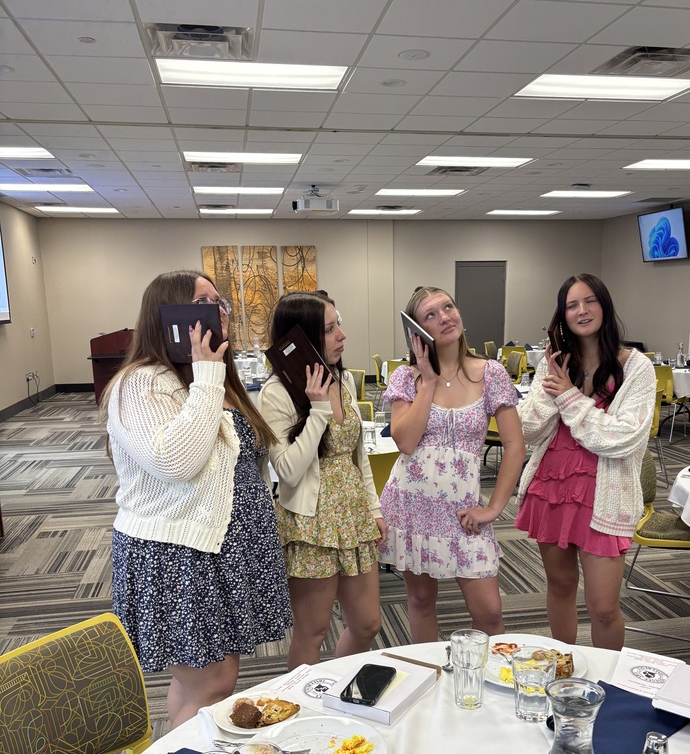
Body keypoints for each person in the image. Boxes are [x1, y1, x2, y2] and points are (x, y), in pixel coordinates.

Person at [104, 270, 291, 728]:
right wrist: (208, 374)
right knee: (213, 682)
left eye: (219, 302)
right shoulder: (142, 383)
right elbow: (175, 462)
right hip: (179, 553)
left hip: (221, 548)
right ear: (167, 315)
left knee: (201, 681)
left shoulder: (208, 377)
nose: (218, 311)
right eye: (202, 303)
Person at [515, 273, 656, 650]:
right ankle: (564, 668)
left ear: (604, 306)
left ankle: (607, 678)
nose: (582, 310)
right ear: (562, 315)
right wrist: (553, 386)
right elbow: (529, 429)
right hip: (553, 485)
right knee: (560, 587)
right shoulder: (554, 363)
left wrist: (569, 397)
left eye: (590, 301)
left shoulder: (636, 367)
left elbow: (623, 437)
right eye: (572, 305)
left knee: (604, 607)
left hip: (605, 494)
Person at [379, 286, 526, 642]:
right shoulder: (406, 378)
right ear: (416, 331)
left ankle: (487, 675)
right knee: (420, 600)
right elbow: (405, 441)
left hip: (463, 511)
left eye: (448, 307)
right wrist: (428, 382)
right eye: (431, 314)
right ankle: (426, 672)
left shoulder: (489, 373)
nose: (444, 317)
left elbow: (514, 444)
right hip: (411, 506)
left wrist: (494, 508)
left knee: (489, 613)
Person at [256, 291, 386, 669]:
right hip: (311, 523)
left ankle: (338, 684)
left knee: (368, 623)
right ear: (302, 339)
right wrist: (317, 411)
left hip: (353, 515)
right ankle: (303, 697)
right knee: (312, 631)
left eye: (338, 324)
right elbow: (288, 470)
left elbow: (357, 455)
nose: (342, 335)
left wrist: (374, 509)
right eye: (329, 330)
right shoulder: (276, 393)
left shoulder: (340, 378)